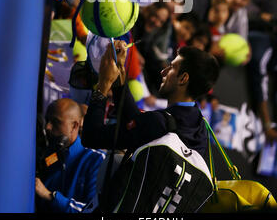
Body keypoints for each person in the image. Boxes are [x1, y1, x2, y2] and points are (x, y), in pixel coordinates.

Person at [82, 41, 220, 159]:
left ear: (183, 78)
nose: (163, 72)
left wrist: (103, 84)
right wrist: (120, 74)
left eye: (171, 67)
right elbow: (137, 123)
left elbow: (92, 136)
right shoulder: (200, 129)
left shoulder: (159, 123)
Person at [35, 98, 105, 213]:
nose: (48, 127)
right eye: (47, 120)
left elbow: (92, 210)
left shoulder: (95, 160)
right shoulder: (45, 154)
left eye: (56, 122)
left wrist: (50, 196)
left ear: (74, 126)